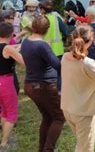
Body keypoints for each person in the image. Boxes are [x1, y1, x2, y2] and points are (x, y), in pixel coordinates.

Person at [20, 15, 65, 152]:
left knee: (47, 117)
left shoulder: (26, 42)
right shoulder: (41, 45)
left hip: (30, 85)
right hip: (43, 86)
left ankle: (42, 148)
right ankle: (48, 149)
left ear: (33, 27)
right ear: (47, 30)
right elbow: (57, 64)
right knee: (59, 117)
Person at [61, 25, 95, 152]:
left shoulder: (64, 57)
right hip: (83, 112)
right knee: (85, 148)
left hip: (67, 108)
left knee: (81, 143)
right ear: (90, 41)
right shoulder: (88, 63)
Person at [0, 22, 25, 150]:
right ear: (11, 34)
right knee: (12, 113)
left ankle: (5, 137)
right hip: (5, 82)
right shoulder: (8, 49)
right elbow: (22, 61)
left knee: (4, 110)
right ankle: (4, 144)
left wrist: (22, 45)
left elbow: (11, 48)